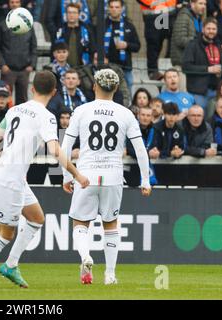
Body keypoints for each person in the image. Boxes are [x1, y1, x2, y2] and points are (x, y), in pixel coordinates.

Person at [0, 70, 89, 289]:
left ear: (32, 88)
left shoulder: (15, 109)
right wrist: (77, 174)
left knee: (37, 218)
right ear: (54, 92)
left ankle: (11, 265)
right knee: (4, 234)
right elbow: (55, 149)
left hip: (12, 177)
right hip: (9, 179)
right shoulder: (46, 116)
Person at [60, 68, 151, 286]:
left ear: (94, 86)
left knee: (80, 222)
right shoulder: (126, 113)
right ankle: (110, 274)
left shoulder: (81, 110)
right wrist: (145, 180)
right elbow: (140, 150)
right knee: (111, 223)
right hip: (113, 175)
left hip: (85, 174)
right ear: (117, 88)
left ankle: (85, 257)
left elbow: (65, 146)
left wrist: (66, 175)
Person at [0, 0, 37, 105]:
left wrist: (32, 64)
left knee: (23, 101)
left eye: (17, 2)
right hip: (8, 70)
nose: (14, 4)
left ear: (20, 4)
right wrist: (3, 64)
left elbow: (34, 46)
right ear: (8, 4)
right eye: (12, 2)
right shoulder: (1, 23)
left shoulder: (28, 23)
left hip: (24, 69)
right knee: (5, 100)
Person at [183, 17, 222, 110]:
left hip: (215, 91)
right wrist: (208, 69)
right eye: (208, 28)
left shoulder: (218, 45)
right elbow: (186, 67)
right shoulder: (192, 44)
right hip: (198, 92)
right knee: (199, 120)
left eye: (214, 29)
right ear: (203, 29)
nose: (211, 31)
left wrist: (220, 73)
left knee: (213, 121)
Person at [102, 0, 140, 91]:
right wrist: (102, 56)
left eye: (117, 7)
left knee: (127, 93)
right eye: (111, 7)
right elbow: (96, 44)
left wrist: (127, 45)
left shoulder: (129, 25)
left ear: (122, 9)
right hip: (107, 67)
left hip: (125, 67)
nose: (114, 9)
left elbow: (137, 46)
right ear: (108, 9)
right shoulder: (102, 25)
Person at [170, 0, 206, 92]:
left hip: (192, 64)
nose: (203, 6)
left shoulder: (197, 18)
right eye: (200, 3)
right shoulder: (184, 16)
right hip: (182, 64)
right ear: (193, 4)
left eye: (205, 4)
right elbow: (180, 39)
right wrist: (199, 44)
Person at [138, 0, 178, 80]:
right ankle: (152, 71)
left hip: (168, 14)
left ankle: (168, 61)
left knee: (172, 38)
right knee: (154, 43)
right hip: (153, 16)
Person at [55, 2, 94, 67]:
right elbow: (55, 49)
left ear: (79, 14)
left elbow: (92, 49)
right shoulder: (60, 30)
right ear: (66, 14)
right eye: (69, 12)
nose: (71, 15)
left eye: (74, 12)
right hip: (63, 68)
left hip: (83, 67)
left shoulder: (86, 30)